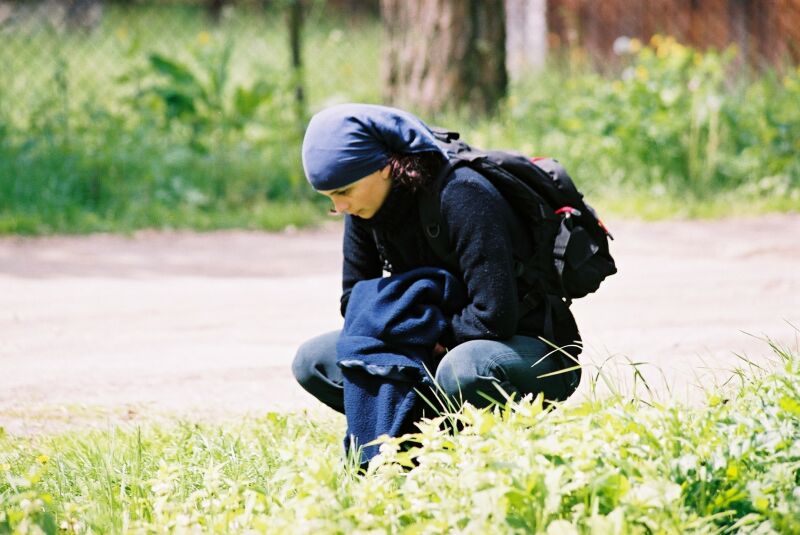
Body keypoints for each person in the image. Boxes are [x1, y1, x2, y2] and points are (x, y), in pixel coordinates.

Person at [292, 103, 581, 415]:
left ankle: (511, 433)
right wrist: (413, 338)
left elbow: (494, 316)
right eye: (329, 198)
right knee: (313, 361)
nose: (340, 207)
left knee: (463, 369)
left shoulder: (462, 192)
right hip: (430, 343)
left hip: (524, 349)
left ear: (384, 166)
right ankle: (420, 429)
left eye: (345, 191)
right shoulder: (362, 210)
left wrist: (420, 336)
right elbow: (354, 303)